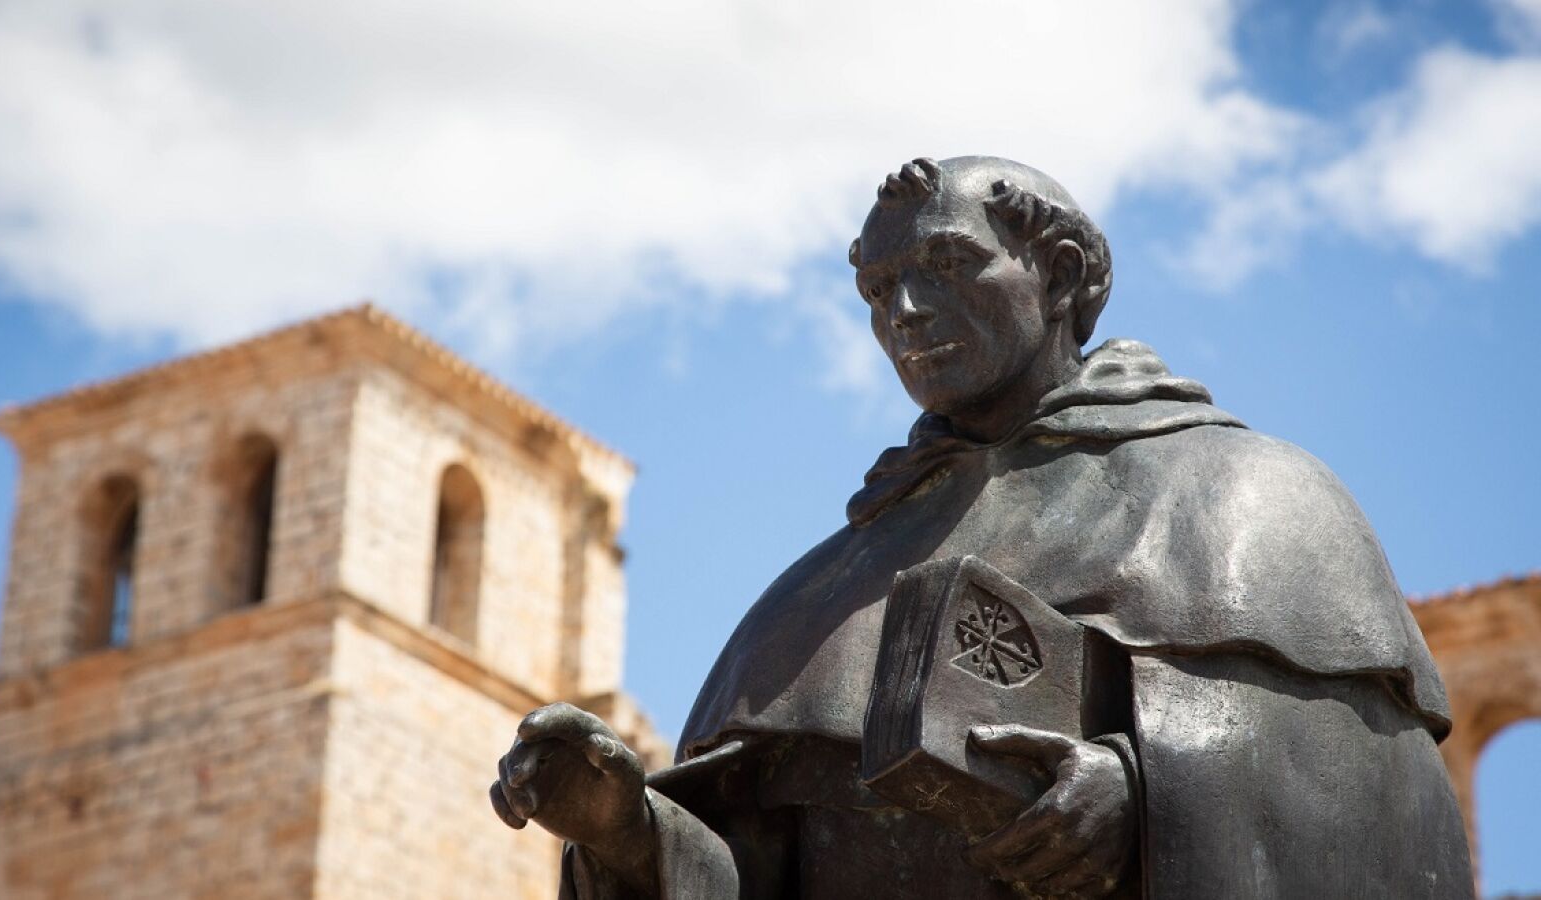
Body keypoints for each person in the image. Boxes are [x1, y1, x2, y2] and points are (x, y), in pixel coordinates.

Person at [492, 156, 1474, 899]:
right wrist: (627, 834)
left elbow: (1367, 797)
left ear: (1059, 276)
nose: (905, 311)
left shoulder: (1250, 497)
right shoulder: (825, 585)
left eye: (948, 264)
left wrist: (1141, 797)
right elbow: (758, 871)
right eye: (877, 290)